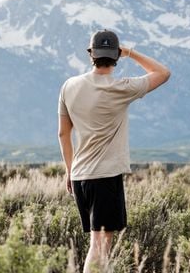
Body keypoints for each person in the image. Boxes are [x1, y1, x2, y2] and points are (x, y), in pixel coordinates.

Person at [57, 29, 171, 272]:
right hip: (105, 177)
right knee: (100, 245)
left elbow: (63, 133)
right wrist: (130, 52)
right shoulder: (121, 88)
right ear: (116, 56)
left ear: (91, 54)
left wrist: (69, 170)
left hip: (80, 177)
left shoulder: (69, 86)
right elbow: (163, 73)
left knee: (96, 243)